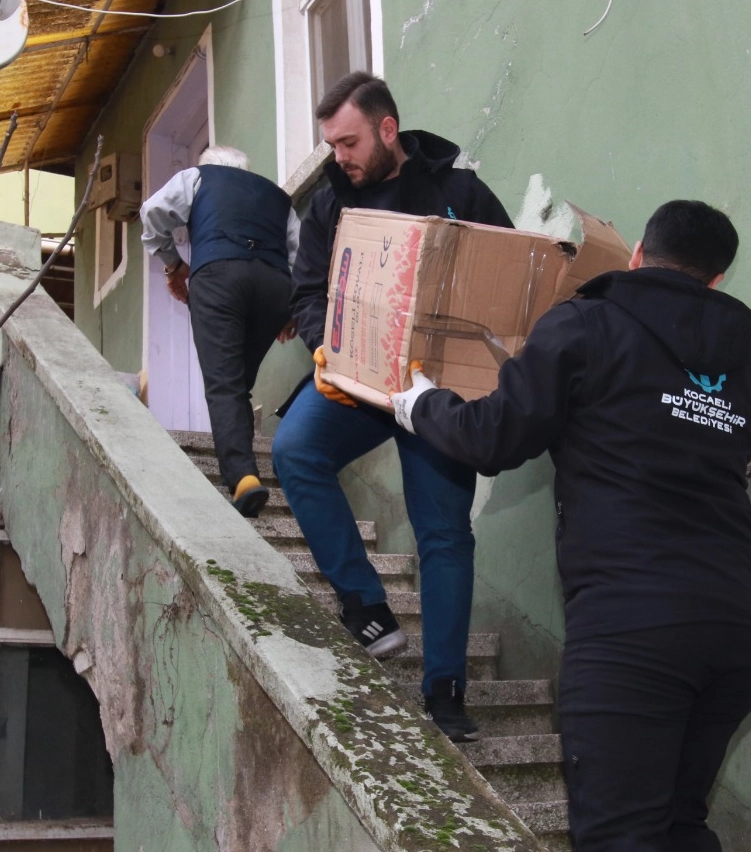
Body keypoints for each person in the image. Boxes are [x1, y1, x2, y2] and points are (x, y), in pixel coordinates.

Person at [390, 201, 751, 850]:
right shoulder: (743, 367)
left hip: (634, 630)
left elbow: (494, 438)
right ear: (715, 280)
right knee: (679, 826)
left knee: (619, 836)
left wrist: (422, 405)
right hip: (735, 634)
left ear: (635, 256)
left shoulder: (588, 324)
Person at [271, 72, 513, 742]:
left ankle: (445, 692)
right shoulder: (328, 206)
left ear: (386, 129)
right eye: (329, 146)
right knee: (294, 451)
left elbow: (509, 269)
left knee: (443, 535)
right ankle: (362, 601)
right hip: (359, 377)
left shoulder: (457, 190)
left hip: (433, 390)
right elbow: (308, 290)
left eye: (347, 141)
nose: (338, 157)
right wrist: (324, 347)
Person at [139, 145, 299, 518]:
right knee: (237, 382)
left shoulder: (198, 177)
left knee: (224, 381)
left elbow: (153, 213)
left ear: (208, 165)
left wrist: (173, 265)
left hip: (220, 276)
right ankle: (243, 463)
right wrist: (288, 310)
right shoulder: (279, 199)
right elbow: (299, 254)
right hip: (274, 286)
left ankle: (243, 477)